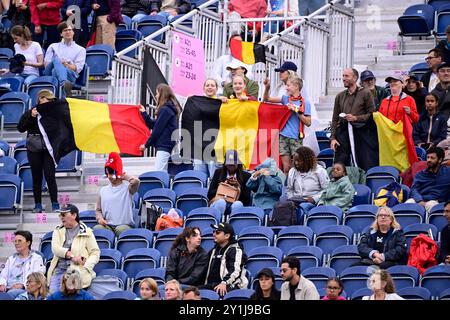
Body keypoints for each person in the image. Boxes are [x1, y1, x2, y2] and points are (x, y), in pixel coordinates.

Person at [17, 89, 60, 213]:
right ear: (40, 99)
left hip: (48, 148)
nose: (50, 101)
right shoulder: (31, 112)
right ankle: (37, 204)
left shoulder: (53, 113)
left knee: (50, 176)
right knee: (37, 177)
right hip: (34, 149)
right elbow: (20, 128)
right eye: (48, 99)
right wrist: (31, 117)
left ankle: (55, 203)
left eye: (52, 100)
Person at [330, 68, 378, 171]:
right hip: (343, 134)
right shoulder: (340, 96)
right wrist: (333, 138)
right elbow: (335, 119)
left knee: (364, 163)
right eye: (343, 76)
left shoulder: (365, 93)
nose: (343, 78)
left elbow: (372, 114)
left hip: (362, 135)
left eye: (346, 76)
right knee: (341, 164)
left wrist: (356, 118)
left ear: (355, 78)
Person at [264, 75, 312, 174]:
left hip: (296, 137)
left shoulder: (305, 103)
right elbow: (267, 99)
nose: (286, 87)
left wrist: (296, 111)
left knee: (297, 166)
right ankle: (286, 189)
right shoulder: (285, 99)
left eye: (288, 85)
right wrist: (267, 87)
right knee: (286, 168)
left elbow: (308, 122)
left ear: (296, 86)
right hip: (283, 136)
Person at [47, 204, 100, 293]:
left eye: (64, 215)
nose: (61, 217)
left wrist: (86, 266)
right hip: (59, 270)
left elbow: (95, 253)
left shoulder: (87, 232)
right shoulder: (58, 230)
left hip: (77, 271)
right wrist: (71, 256)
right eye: (60, 215)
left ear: (74, 215)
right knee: (53, 296)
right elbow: (55, 248)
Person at [94, 152, 140, 237]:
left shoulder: (127, 188)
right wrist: (100, 219)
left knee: (121, 229)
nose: (109, 176)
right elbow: (98, 210)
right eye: (107, 173)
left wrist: (123, 176)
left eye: (111, 173)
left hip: (125, 226)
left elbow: (136, 181)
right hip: (107, 226)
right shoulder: (103, 190)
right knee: (97, 229)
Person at [139, 83, 182, 171]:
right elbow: (154, 125)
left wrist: (146, 145)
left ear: (162, 94)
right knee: (162, 172)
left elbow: (157, 130)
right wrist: (144, 113)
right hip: (166, 145)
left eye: (157, 93)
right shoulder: (167, 109)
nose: (156, 95)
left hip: (164, 145)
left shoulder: (165, 110)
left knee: (159, 172)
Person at [203, 223, 248, 296]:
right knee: (193, 293)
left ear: (227, 236)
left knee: (219, 292)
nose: (214, 234)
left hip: (230, 285)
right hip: (212, 285)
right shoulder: (213, 251)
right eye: (213, 231)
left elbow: (235, 271)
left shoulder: (235, 249)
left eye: (217, 232)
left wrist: (224, 282)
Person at [286, 146, 329, 222]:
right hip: (296, 200)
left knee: (303, 206)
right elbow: (289, 189)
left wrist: (314, 199)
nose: (296, 163)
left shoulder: (319, 171)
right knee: (281, 207)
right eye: (295, 160)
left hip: (312, 201)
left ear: (306, 160)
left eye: (299, 161)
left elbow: (327, 189)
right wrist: (291, 198)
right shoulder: (292, 171)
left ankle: (302, 228)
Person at [44, 21, 86, 97]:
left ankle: (60, 96)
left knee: (55, 71)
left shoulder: (81, 49)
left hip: (70, 75)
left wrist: (65, 65)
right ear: (61, 34)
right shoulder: (53, 46)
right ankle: (64, 83)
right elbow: (46, 65)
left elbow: (77, 69)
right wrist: (59, 63)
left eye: (70, 30)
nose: (68, 32)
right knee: (56, 61)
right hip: (49, 72)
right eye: (65, 30)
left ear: (73, 32)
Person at [0, 230, 45, 298]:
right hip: (7, 288)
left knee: (9, 294)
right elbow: (3, 275)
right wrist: (2, 284)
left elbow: (37, 277)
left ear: (28, 243)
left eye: (19, 241)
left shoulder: (36, 258)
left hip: (24, 289)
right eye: (15, 241)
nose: (16, 243)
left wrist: (23, 285)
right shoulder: (11, 259)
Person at [207, 149, 251, 216]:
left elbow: (247, 200)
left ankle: (234, 224)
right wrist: (223, 186)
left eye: (233, 162)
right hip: (220, 202)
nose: (231, 164)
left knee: (238, 204)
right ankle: (218, 224)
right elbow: (210, 194)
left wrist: (238, 187)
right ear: (225, 163)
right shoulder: (218, 173)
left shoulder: (246, 176)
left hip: (235, 203)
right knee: (221, 203)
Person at [406, 147, 450, 212]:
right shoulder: (420, 174)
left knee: (431, 205)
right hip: (420, 199)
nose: (429, 160)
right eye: (428, 157)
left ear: (440, 160)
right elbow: (414, 189)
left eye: (432, 158)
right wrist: (419, 200)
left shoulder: (448, 172)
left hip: (436, 201)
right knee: (408, 204)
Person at [439, 201, 450, 265]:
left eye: (448, 211)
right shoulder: (445, 230)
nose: (444, 214)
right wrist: (446, 258)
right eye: (444, 211)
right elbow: (443, 250)